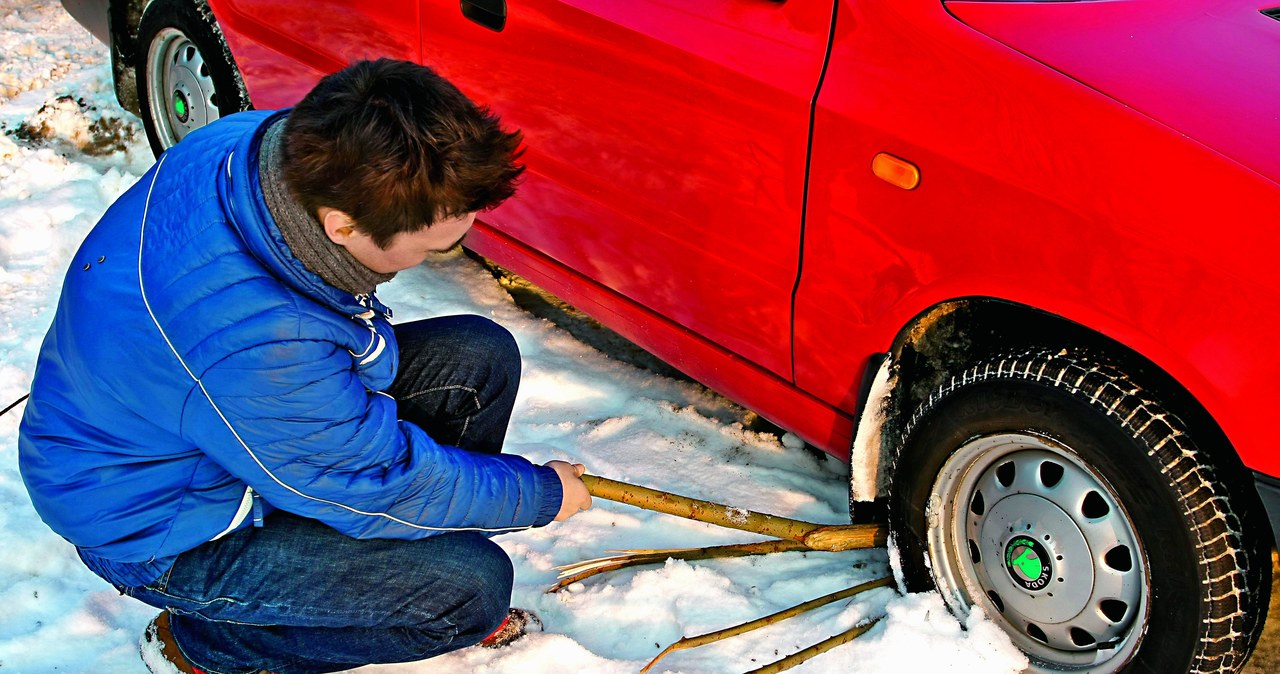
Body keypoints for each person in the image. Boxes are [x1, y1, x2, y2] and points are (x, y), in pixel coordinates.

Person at [17, 58, 593, 674]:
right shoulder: (263, 343)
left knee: (476, 359)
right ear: (340, 227)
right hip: (161, 525)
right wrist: (539, 493)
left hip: (206, 429)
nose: (446, 253)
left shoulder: (250, 149)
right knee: (471, 591)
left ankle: (376, 561)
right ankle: (208, 646)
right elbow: (379, 481)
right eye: (436, 244)